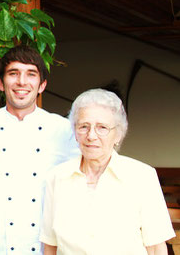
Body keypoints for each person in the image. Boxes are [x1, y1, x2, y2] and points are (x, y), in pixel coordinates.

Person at [0, 45, 79, 254]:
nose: (22, 82)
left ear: (42, 85)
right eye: (13, 73)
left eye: (31, 74)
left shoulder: (65, 131)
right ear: (0, 83)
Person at [40, 88, 175, 255]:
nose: (91, 136)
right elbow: (50, 246)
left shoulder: (142, 177)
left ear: (118, 134)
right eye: (83, 126)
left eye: (102, 127)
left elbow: (156, 248)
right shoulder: (57, 177)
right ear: (75, 132)